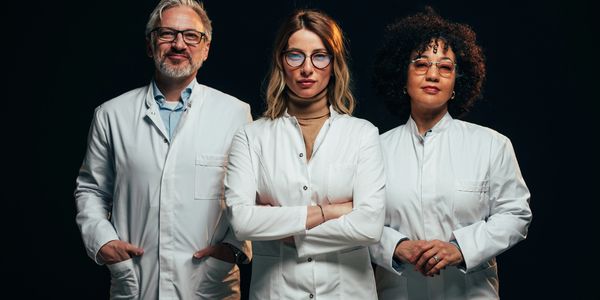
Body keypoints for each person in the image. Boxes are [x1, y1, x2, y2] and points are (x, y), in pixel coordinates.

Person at [74, 1, 252, 299]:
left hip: (209, 283)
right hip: (137, 280)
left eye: (191, 36)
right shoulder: (111, 114)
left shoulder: (235, 114)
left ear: (206, 48)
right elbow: (91, 190)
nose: (178, 44)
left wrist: (233, 248)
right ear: (150, 45)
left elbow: (252, 194)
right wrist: (103, 242)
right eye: (167, 34)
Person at [368, 7, 532, 299]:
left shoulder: (491, 145)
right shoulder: (374, 149)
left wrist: (460, 249)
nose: (433, 75)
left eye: (445, 67)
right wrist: (395, 246)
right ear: (402, 77)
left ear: (457, 83)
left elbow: (516, 214)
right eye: (420, 64)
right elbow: (357, 221)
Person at [224, 9, 385, 300]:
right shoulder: (251, 136)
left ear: (334, 63)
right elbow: (243, 221)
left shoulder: (363, 134)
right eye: (295, 55)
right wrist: (331, 211)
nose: (307, 68)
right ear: (281, 61)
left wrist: (282, 226)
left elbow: (370, 226)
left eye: (319, 56)